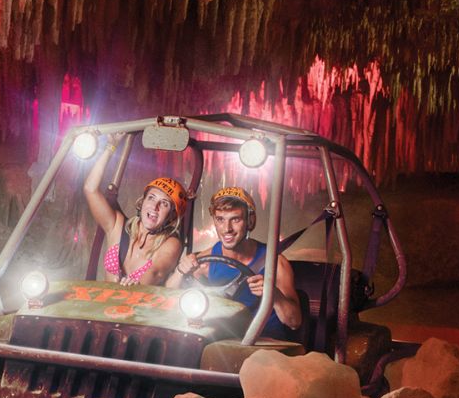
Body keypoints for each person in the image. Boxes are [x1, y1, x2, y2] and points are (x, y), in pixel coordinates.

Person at [168, 186, 302, 338]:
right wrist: (180, 271)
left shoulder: (276, 263)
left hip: (264, 341)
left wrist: (273, 295)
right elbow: (166, 296)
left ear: (249, 221)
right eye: (220, 219)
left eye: (235, 219)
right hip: (223, 339)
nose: (227, 229)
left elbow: (294, 321)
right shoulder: (206, 260)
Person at [83, 133, 185, 286]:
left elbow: (156, 272)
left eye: (164, 203)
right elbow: (90, 189)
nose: (154, 207)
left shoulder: (170, 244)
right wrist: (111, 147)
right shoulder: (117, 226)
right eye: (151, 198)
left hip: (141, 309)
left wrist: (137, 287)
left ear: (171, 216)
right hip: (104, 306)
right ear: (142, 202)